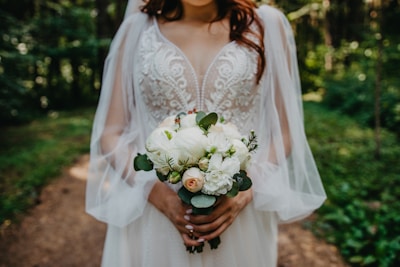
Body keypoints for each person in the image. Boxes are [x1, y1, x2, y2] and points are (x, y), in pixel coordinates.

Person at [86, 0, 326, 266]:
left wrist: (247, 190)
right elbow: (111, 134)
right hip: (155, 216)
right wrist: (154, 193)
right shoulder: (137, 29)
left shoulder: (267, 25)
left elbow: (285, 131)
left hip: (237, 217)